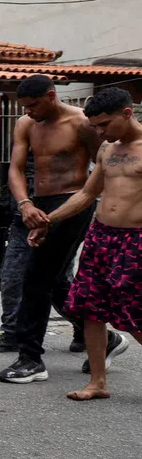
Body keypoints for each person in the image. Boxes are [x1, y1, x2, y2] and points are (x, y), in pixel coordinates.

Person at [0, 75, 118, 384]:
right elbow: (16, 168)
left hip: (73, 205)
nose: (29, 111)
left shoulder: (81, 123)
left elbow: (101, 171)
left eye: (34, 105)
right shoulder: (26, 123)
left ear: (51, 96)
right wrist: (24, 204)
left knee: (36, 278)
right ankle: (103, 339)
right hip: (37, 204)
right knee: (55, 282)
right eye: (24, 106)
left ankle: (30, 357)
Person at [28, 88, 141, 400]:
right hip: (101, 237)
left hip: (136, 241)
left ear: (127, 114)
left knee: (134, 313)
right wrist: (49, 221)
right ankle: (98, 383)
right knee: (91, 308)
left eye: (105, 124)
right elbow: (87, 193)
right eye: (97, 126)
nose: (101, 132)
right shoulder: (107, 149)